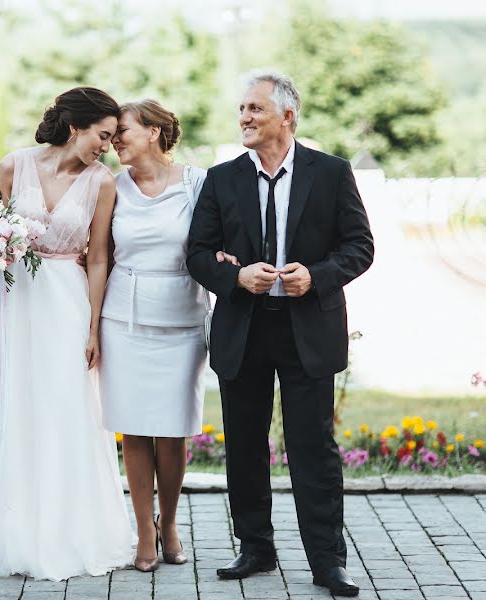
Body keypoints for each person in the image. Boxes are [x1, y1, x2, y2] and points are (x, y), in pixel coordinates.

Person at [186, 70, 374, 597]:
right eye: (242, 109)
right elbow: (197, 253)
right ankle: (255, 548)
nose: (244, 117)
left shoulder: (331, 173)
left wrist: (316, 276)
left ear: (287, 117)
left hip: (307, 328)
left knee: (313, 447)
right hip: (243, 329)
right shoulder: (221, 179)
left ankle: (327, 561)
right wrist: (235, 277)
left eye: (255, 109)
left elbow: (360, 246)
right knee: (245, 445)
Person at [0, 87, 133, 581]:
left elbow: (97, 258)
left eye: (112, 139)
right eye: (103, 136)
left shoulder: (103, 181)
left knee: (62, 409)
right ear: (76, 127)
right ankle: (7, 531)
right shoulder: (15, 165)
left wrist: (92, 325)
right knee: (10, 407)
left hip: (66, 302)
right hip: (14, 303)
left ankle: (64, 531)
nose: (106, 147)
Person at [102, 99, 236, 572]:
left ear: (155, 132)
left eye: (123, 131)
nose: (114, 140)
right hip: (123, 319)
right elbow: (97, 253)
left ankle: (171, 523)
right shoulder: (111, 186)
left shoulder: (199, 184)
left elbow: (218, 242)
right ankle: (143, 531)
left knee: (174, 431)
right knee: (134, 429)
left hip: (182, 317)